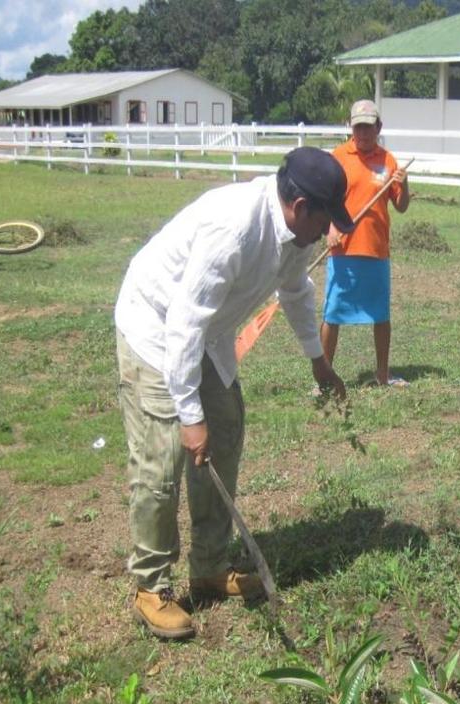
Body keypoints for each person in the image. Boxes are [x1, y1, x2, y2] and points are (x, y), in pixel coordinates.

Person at [115, 147, 354, 640]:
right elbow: (182, 323)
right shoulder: (235, 228)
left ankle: (208, 567)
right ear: (302, 205)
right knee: (162, 460)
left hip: (208, 334)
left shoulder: (295, 234)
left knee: (225, 431)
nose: (331, 228)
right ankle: (150, 587)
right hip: (156, 325)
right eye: (327, 216)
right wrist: (188, 415)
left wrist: (318, 361)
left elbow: (294, 291)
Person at [320, 99, 411, 388]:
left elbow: (401, 206)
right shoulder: (338, 157)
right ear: (351, 127)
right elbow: (324, 202)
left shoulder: (388, 161)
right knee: (332, 314)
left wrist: (404, 183)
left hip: (376, 250)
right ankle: (323, 377)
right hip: (343, 249)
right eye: (358, 127)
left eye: (368, 128)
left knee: (380, 315)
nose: (363, 134)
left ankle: (382, 375)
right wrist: (329, 228)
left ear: (378, 128)